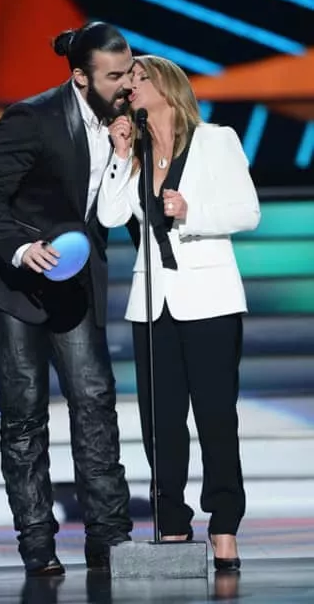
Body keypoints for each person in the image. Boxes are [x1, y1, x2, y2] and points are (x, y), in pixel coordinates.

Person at [0, 22, 134, 575]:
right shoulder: (31, 118)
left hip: (73, 279)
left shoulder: (128, 121)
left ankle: (109, 537)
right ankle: (37, 541)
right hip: (12, 281)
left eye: (129, 71)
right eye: (114, 76)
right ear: (81, 77)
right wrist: (21, 248)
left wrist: (124, 153)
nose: (127, 83)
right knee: (25, 409)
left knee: (94, 399)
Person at [97, 55, 261, 572]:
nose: (130, 86)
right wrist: (120, 155)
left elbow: (248, 211)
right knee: (159, 422)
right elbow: (110, 214)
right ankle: (172, 521)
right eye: (126, 81)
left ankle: (224, 524)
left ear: (167, 85)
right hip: (153, 303)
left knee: (215, 416)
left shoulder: (216, 140)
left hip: (209, 298)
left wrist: (192, 214)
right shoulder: (136, 150)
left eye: (138, 77)